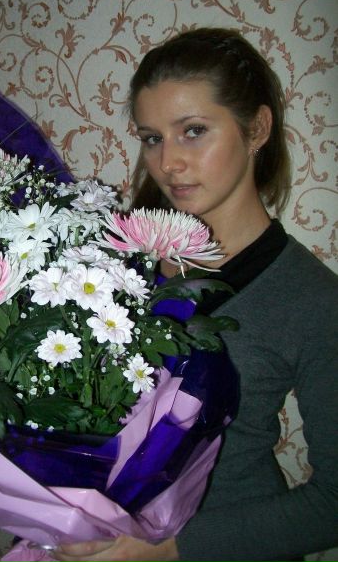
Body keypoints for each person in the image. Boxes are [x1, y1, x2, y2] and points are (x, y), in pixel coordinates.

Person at [52, 28, 338, 561]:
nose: (167, 163)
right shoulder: (114, 262)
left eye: (193, 131)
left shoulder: (311, 299)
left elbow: (334, 503)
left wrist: (166, 551)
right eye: (152, 138)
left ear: (257, 129)